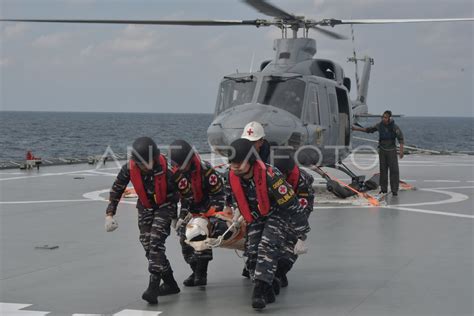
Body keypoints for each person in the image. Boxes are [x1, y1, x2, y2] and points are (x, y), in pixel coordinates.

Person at [228, 138, 310, 310]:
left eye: (239, 163)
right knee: (252, 251)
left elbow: (293, 206)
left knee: (268, 245)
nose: (235, 166)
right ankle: (268, 288)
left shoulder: (271, 176)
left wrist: (302, 235)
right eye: (232, 163)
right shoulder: (232, 176)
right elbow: (230, 195)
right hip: (256, 215)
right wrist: (236, 211)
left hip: (278, 213)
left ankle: (259, 291)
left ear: (250, 160)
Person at [104, 137, 181, 305]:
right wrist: (110, 214)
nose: (143, 167)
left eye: (146, 163)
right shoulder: (130, 168)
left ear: (154, 159)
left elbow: (183, 192)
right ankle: (170, 282)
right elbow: (117, 189)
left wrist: (178, 217)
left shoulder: (169, 169)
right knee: (147, 244)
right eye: (140, 164)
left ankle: (153, 286)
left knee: (155, 242)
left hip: (165, 205)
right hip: (145, 206)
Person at [169, 139, 226, 287]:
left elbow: (219, 194)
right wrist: (179, 217)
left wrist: (210, 214)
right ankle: (195, 270)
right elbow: (179, 197)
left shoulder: (206, 171)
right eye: (177, 165)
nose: (179, 168)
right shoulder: (176, 173)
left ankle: (201, 274)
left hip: (209, 209)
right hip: (190, 209)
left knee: (200, 235)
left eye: (182, 164)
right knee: (184, 239)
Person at [273, 148, 314, 288]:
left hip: (295, 214)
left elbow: (302, 210)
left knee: (290, 245)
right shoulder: (268, 176)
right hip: (273, 212)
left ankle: (280, 273)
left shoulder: (302, 182)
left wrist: (295, 232)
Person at [352, 110, 405, 195]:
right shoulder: (379, 125)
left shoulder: (395, 127)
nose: (383, 119)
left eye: (385, 117)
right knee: (383, 171)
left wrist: (401, 151)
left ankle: (394, 190)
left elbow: (401, 139)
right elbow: (368, 130)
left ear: (389, 118)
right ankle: (383, 189)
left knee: (394, 171)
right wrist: (356, 129)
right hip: (382, 151)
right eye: (383, 117)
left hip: (391, 151)